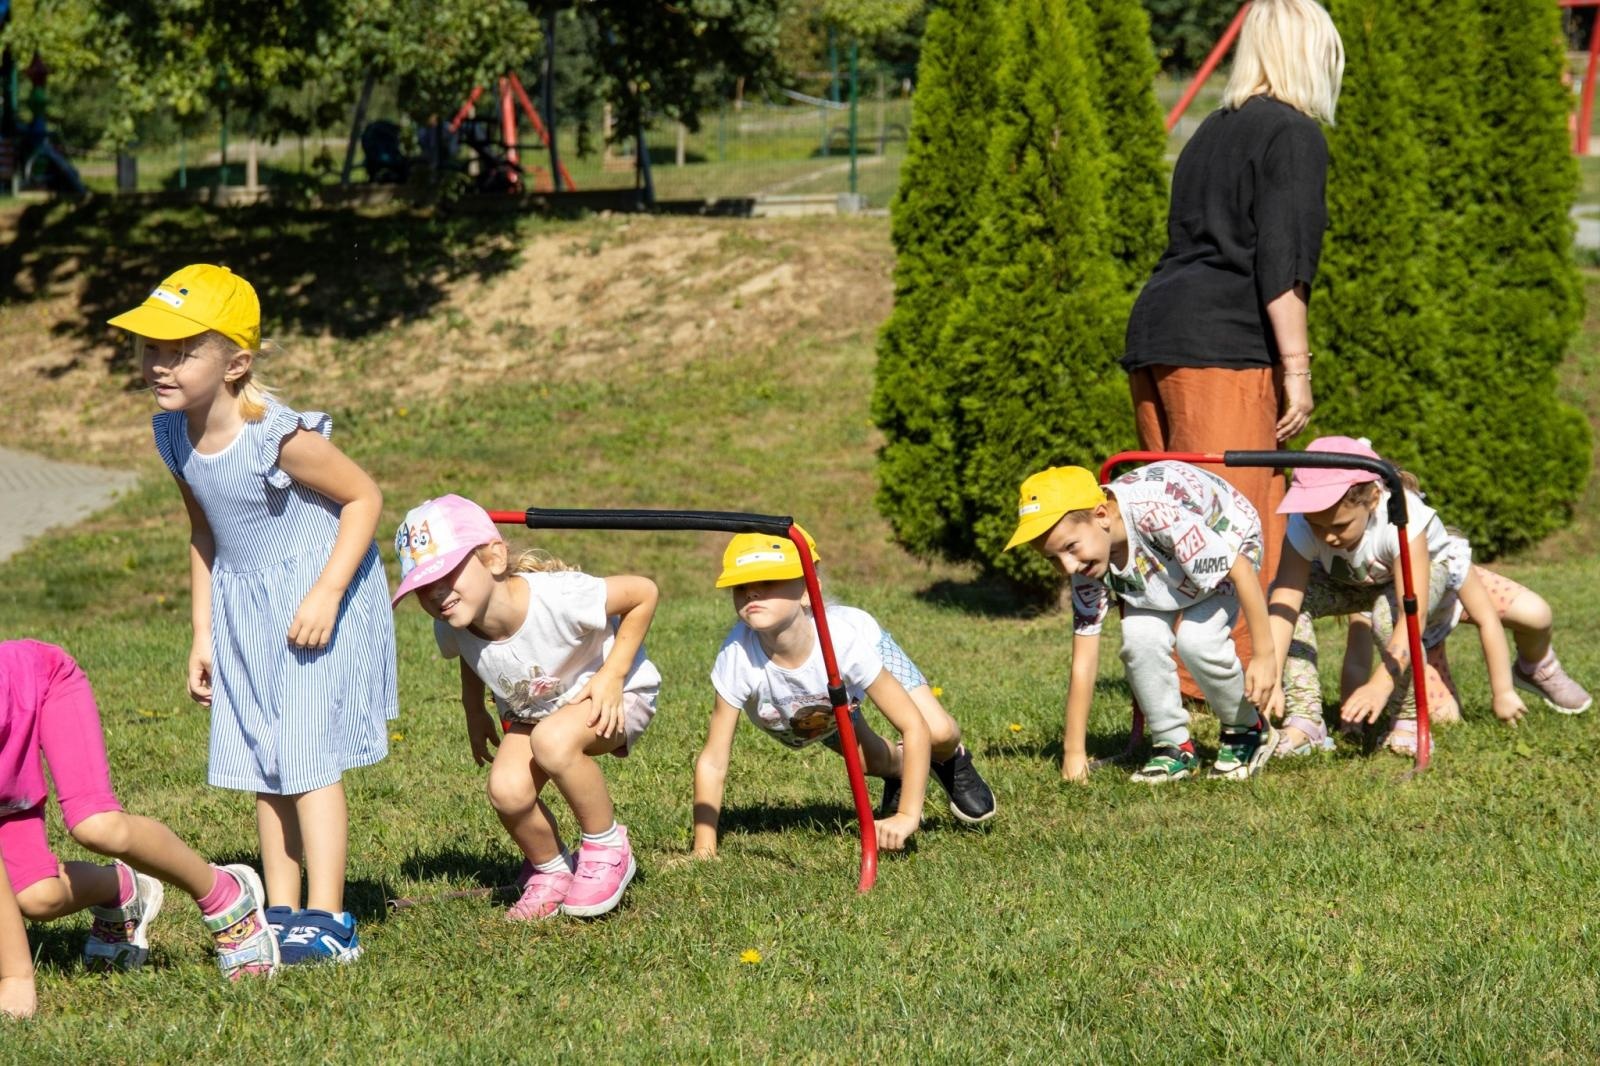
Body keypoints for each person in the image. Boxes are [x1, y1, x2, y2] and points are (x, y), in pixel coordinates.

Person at [111, 264, 397, 964]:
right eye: (150, 347)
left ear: (236, 362)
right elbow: (205, 532)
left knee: (306, 755)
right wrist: (202, 633)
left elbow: (364, 498)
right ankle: (283, 906)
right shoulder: (174, 436)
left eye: (181, 350)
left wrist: (326, 593)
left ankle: (330, 919)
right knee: (266, 759)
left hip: (315, 597)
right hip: (244, 607)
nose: (158, 363)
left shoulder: (278, 435)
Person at [1122, 0, 1345, 668]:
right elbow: (1284, 267)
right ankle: (1240, 712)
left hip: (1156, 337)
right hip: (1221, 350)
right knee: (1234, 537)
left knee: (1170, 537)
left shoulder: (1206, 132)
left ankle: (1173, 706)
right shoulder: (1294, 135)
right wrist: (1297, 370)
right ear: (1313, 55)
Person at [392, 495, 660, 921]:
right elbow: (468, 653)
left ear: (495, 557)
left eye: (446, 572)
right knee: (507, 790)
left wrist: (611, 676)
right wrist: (473, 707)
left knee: (553, 741)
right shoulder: (453, 621)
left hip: (616, 698)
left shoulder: (559, 598)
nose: (435, 592)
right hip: (537, 713)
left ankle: (607, 847)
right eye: (422, 586)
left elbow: (643, 593)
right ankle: (552, 869)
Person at [1262, 437, 1590, 756]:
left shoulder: (1402, 519)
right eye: (1317, 527)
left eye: (1339, 526)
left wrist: (1380, 685)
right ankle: (1305, 722)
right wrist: (1272, 673)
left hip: (1424, 583)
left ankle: (1406, 719)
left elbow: (1411, 614)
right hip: (1357, 583)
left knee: (1390, 612)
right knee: (1287, 601)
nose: (1327, 536)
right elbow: (1286, 600)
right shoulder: (1306, 522)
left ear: (1373, 499)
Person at [692, 528, 995, 859]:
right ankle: (905, 769)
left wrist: (907, 816)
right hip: (811, 714)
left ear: (809, 590)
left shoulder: (846, 640)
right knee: (874, 762)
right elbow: (714, 760)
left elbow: (913, 725)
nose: (751, 593)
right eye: (741, 587)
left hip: (853, 670)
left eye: (768, 583)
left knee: (936, 732)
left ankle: (952, 761)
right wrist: (703, 850)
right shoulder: (736, 657)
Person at [0, 640, 278, 995]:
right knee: (37, 897)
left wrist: (16, 978)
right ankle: (123, 890)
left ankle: (224, 894)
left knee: (97, 826)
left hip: (43, 684)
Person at [1007, 463, 1277, 784]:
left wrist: (1264, 655)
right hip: (1162, 566)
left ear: (1101, 516)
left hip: (1228, 540)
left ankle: (1248, 729)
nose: (1067, 567)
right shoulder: (1085, 562)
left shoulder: (1158, 516)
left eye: (1069, 548)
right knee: (1138, 639)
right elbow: (1084, 661)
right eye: (1053, 559)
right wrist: (1074, 752)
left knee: (1198, 640)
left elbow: (1241, 570)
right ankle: (1173, 747)